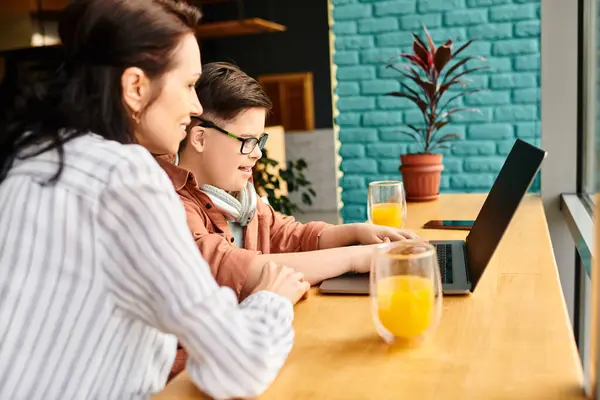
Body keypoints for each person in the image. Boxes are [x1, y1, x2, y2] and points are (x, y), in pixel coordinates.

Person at [0, 1, 309, 399]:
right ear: (135, 87)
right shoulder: (124, 177)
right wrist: (271, 300)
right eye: (187, 85)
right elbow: (239, 363)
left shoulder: (30, 157)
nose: (196, 106)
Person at [157, 62, 419, 377]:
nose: (257, 154)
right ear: (199, 138)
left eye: (259, 142)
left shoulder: (240, 199)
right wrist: (357, 257)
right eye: (247, 141)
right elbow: (236, 267)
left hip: (254, 355)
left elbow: (289, 234)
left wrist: (355, 232)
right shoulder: (168, 206)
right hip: (196, 376)